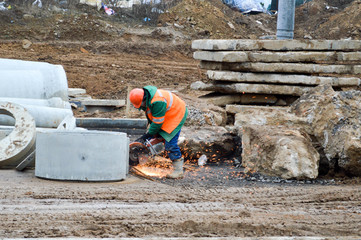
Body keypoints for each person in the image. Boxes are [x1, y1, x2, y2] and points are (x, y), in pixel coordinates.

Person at [129, 85, 188, 179]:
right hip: (168, 113)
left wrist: (148, 135)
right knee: (159, 136)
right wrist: (153, 134)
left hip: (177, 113)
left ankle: (178, 171)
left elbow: (157, 123)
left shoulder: (157, 101)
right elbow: (153, 119)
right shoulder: (149, 99)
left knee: (170, 143)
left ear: (144, 99)